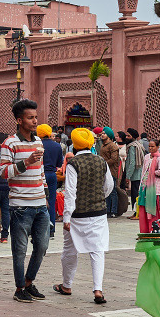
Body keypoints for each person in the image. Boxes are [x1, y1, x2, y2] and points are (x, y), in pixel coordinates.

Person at [54, 127, 113, 305]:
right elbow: (109, 186)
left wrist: (66, 217)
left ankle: (67, 285)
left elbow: (70, 192)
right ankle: (98, 289)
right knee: (97, 250)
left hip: (76, 216)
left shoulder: (73, 164)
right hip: (98, 213)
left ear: (74, 145)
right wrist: (99, 197)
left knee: (69, 251)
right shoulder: (101, 161)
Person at [0, 99, 50, 304]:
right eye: (30, 118)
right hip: (20, 205)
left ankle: (29, 282)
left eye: (36, 117)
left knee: (42, 246)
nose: (35, 121)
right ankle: (19, 288)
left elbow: (41, 171)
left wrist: (45, 195)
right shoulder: (10, 143)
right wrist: (26, 162)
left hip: (40, 204)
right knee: (20, 250)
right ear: (19, 120)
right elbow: (4, 172)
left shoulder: (38, 141)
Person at [139, 138, 160, 233]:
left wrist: (152, 173)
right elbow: (143, 171)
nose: (150, 148)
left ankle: (153, 230)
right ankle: (144, 231)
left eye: (153, 146)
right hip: (144, 186)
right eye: (149, 146)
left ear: (158, 147)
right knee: (143, 209)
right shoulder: (147, 157)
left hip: (155, 188)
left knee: (153, 211)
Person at [38, 124, 62, 236]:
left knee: (39, 202)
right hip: (52, 175)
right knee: (51, 202)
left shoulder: (38, 145)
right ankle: (51, 230)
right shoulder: (57, 146)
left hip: (39, 175)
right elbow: (59, 163)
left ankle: (39, 229)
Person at [98, 127, 121, 218]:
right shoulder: (103, 145)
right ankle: (107, 210)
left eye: (104, 133)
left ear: (109, 135)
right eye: (102, 133)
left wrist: (103, 164)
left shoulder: (112, 146)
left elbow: (114, 159)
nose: (102, 135)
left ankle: (113, 211)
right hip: (104, 171)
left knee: (113, 191)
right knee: (106, 190)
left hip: (111, 171)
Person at [125, 128, 145, 219]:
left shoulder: (133, 147)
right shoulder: (139, 145)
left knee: (135, 195)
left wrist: (128, 176)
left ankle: (137, 213)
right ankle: (136, 213)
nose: (126, 137)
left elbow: (132, 162)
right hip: (139, 173)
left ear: (133, 137)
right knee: (137, 194)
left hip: (135, 175)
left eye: (128, 136)